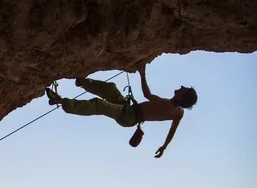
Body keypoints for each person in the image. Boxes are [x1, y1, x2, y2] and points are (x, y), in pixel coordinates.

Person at [45, 60, 197, 158]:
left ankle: (61, 101)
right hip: (130, 110)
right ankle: (82, 81)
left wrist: (142, 72)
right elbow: (173, 130)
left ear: (181, 97)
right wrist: (164, 146)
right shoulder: (179, 112)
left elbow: (147, 94)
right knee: (111, 89)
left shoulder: (168, 105)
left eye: (184, 90)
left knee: (100, 105)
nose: (182, 87)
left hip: (129, 116)